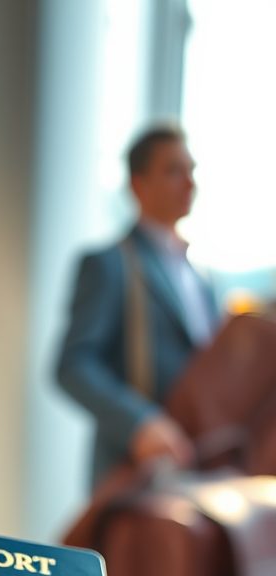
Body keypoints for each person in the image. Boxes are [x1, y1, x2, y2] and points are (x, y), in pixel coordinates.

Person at [55, 124, 220, 486]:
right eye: (174, 171)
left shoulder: (203, 275)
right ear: (137, 184)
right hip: (133, 471)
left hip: (200, 468)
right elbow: (72, 365)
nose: (189, 183)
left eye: (191, 170)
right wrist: (141, 423)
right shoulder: (109, 263)